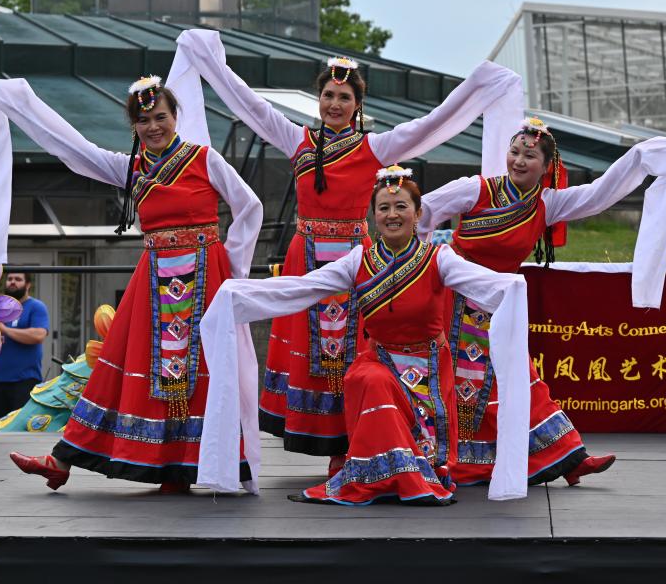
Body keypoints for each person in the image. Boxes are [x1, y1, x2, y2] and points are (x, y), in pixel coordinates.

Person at [168, 29, 522, 475]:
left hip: (359, 265)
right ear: (319, 99)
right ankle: (327, 441)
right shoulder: (295, 139)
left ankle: (353, 443)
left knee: (355, 355)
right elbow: (249, 103)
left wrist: (476, 86)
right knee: (318, 363)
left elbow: (430, 123)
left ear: (359, 105)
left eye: (345, 97)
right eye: (329, 95)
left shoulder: (376, 147)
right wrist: (211, 63)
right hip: (309, 255)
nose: (335, 104)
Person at [0, 72, 261, 492]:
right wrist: (22, 105)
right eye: (144, 121)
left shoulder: (205, 159)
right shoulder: (131, 169)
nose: (153, 127)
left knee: (202, 374)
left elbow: (249, 206)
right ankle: (62, 460)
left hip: (206, 278)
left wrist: (233, 275)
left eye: (160, 117)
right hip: (154, 280)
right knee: (120, 372)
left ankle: (181, 469)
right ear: (134, 126)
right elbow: (78, 151)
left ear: (175, 116)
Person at [195, 167, 531, 504]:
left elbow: (482, 282)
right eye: (384, 207)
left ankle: (405, 474)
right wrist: (236, 295)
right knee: (370, 380)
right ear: (372, 217)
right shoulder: (359, 261)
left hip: (427, 371)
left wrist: (512, 287)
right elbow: (303, 287)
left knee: (401, 417)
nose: (392, 214)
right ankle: (396, 476)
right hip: (380, 361)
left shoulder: (439, 259)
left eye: (401, 206)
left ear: (417, 214)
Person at [417, 119, 666, 487]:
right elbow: (421, 211)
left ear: (547, 167)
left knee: (522, 379)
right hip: (455, 303)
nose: (519, 161)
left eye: (529, 155)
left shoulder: (547, 204)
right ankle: (444, 459)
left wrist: (641, 158)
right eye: (514, 152)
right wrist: (422, 262)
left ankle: (570, 458)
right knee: (456, 383)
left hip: (501, 306)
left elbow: (599, 193)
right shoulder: (475, 191)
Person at [0, 271, 49, 430]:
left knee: (21, 431)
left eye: (18, 279)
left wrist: (5, 330)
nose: (12, 282)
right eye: (10, 279)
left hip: (24, 384)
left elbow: (39, 335)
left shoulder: (36, 307)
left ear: (28, 285)